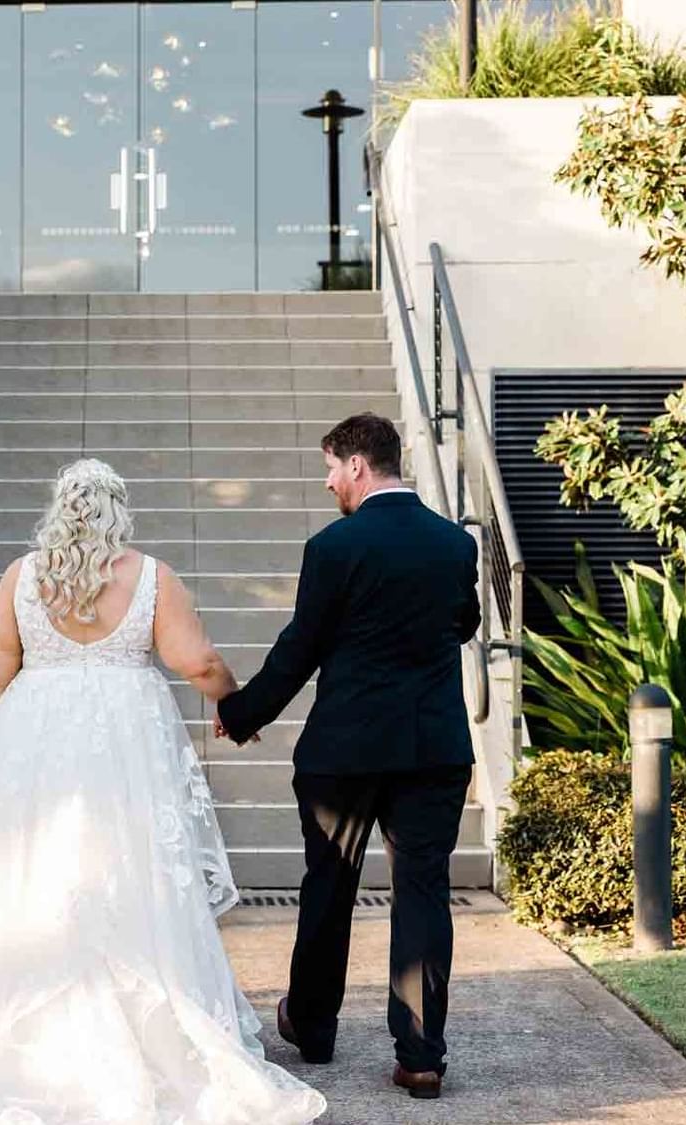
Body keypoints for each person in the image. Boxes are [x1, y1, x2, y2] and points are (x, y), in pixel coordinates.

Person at [0, 457, 326, 1124]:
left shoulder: (21, 576)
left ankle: (12, 1050)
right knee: (127, 881)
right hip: (127, 749)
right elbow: (198, 660)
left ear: (60, 506)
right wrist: (233, 703)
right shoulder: (150, 577)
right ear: (119, 510)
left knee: (29, 880)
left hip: (37, 739)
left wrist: (23, 723)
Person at [215, 412, 480, 1101]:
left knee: (330, 883)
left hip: (347, 748)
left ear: (360, 466)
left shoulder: (335, 546)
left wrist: (242, 713)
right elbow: (464, 622)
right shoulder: (454, 544)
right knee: (422, 890)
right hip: (432, 747)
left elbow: (301, 647)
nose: (329, 480)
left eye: (332, 466)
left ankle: (312, 1023)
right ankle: (421, 1055)